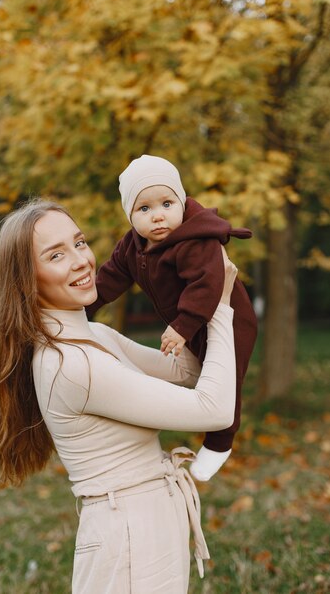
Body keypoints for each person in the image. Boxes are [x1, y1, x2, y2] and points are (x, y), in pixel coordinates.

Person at [0, 198, 237, 594]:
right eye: (56, 255)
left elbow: (185, 370)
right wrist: (219, 307)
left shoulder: (93, 335)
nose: (81, 261)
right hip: (129, 536)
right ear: (26, 280)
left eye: (80, 243)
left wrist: (190, 294)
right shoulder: (71, 363)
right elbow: (214, 409)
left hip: (148, 521)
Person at [86, 155, 258, 482]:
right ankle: (178, 399)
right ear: (130, 215)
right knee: (195, 370)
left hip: (229, 318)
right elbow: (108, 280)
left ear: (181, 201)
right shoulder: (131, 248)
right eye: (144, 209)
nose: (158, 216)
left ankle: (220, 443)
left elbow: (207, 284)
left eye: (167, 203)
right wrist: (82, 309)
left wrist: (181, 326)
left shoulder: (196, 241)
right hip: (191, 325)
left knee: (227, 377)